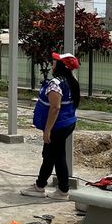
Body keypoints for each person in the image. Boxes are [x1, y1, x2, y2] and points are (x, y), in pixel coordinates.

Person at [22, 52, 81, 200]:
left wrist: (47, 130)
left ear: (60, 66)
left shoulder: (56, 83)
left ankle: (47, 188)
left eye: (55, 61)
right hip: (68, 123)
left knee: (52, 156)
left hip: (58, 126)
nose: (52, 64)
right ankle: (55, 188)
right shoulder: (71, 81)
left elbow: (55, 108)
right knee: (54, 155)